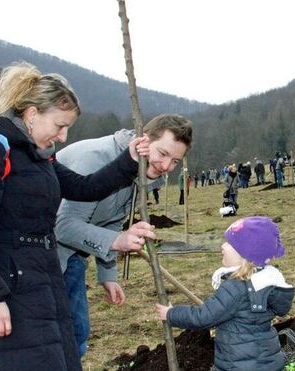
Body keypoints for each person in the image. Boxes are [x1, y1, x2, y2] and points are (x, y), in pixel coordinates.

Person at [0, 62, 148, 371]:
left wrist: (129, 159)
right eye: (59, 125)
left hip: (46, 281)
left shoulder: (42, 157)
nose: (63, 136)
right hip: (8, 289)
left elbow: (85, 187)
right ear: (31, 114)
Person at [55, 114, 192, 358]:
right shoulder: (97, 160)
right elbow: (63, 226)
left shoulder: (140, 171)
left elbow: (113, 218)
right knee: (54, 341)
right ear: (144, 139)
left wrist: (107, 274)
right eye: (162, 153)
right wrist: (118, 241)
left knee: (75, 335)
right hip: (36, 257)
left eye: (175, 161)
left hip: (72, 256)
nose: (165, 166)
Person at [155, 216, 294, 371]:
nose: (223, 245)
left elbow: (203, 317)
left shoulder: (236, 288)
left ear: (244, 254)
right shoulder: (266, 282)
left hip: (239, 366)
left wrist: (171, 314)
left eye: (229, 243)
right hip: (268, 362)